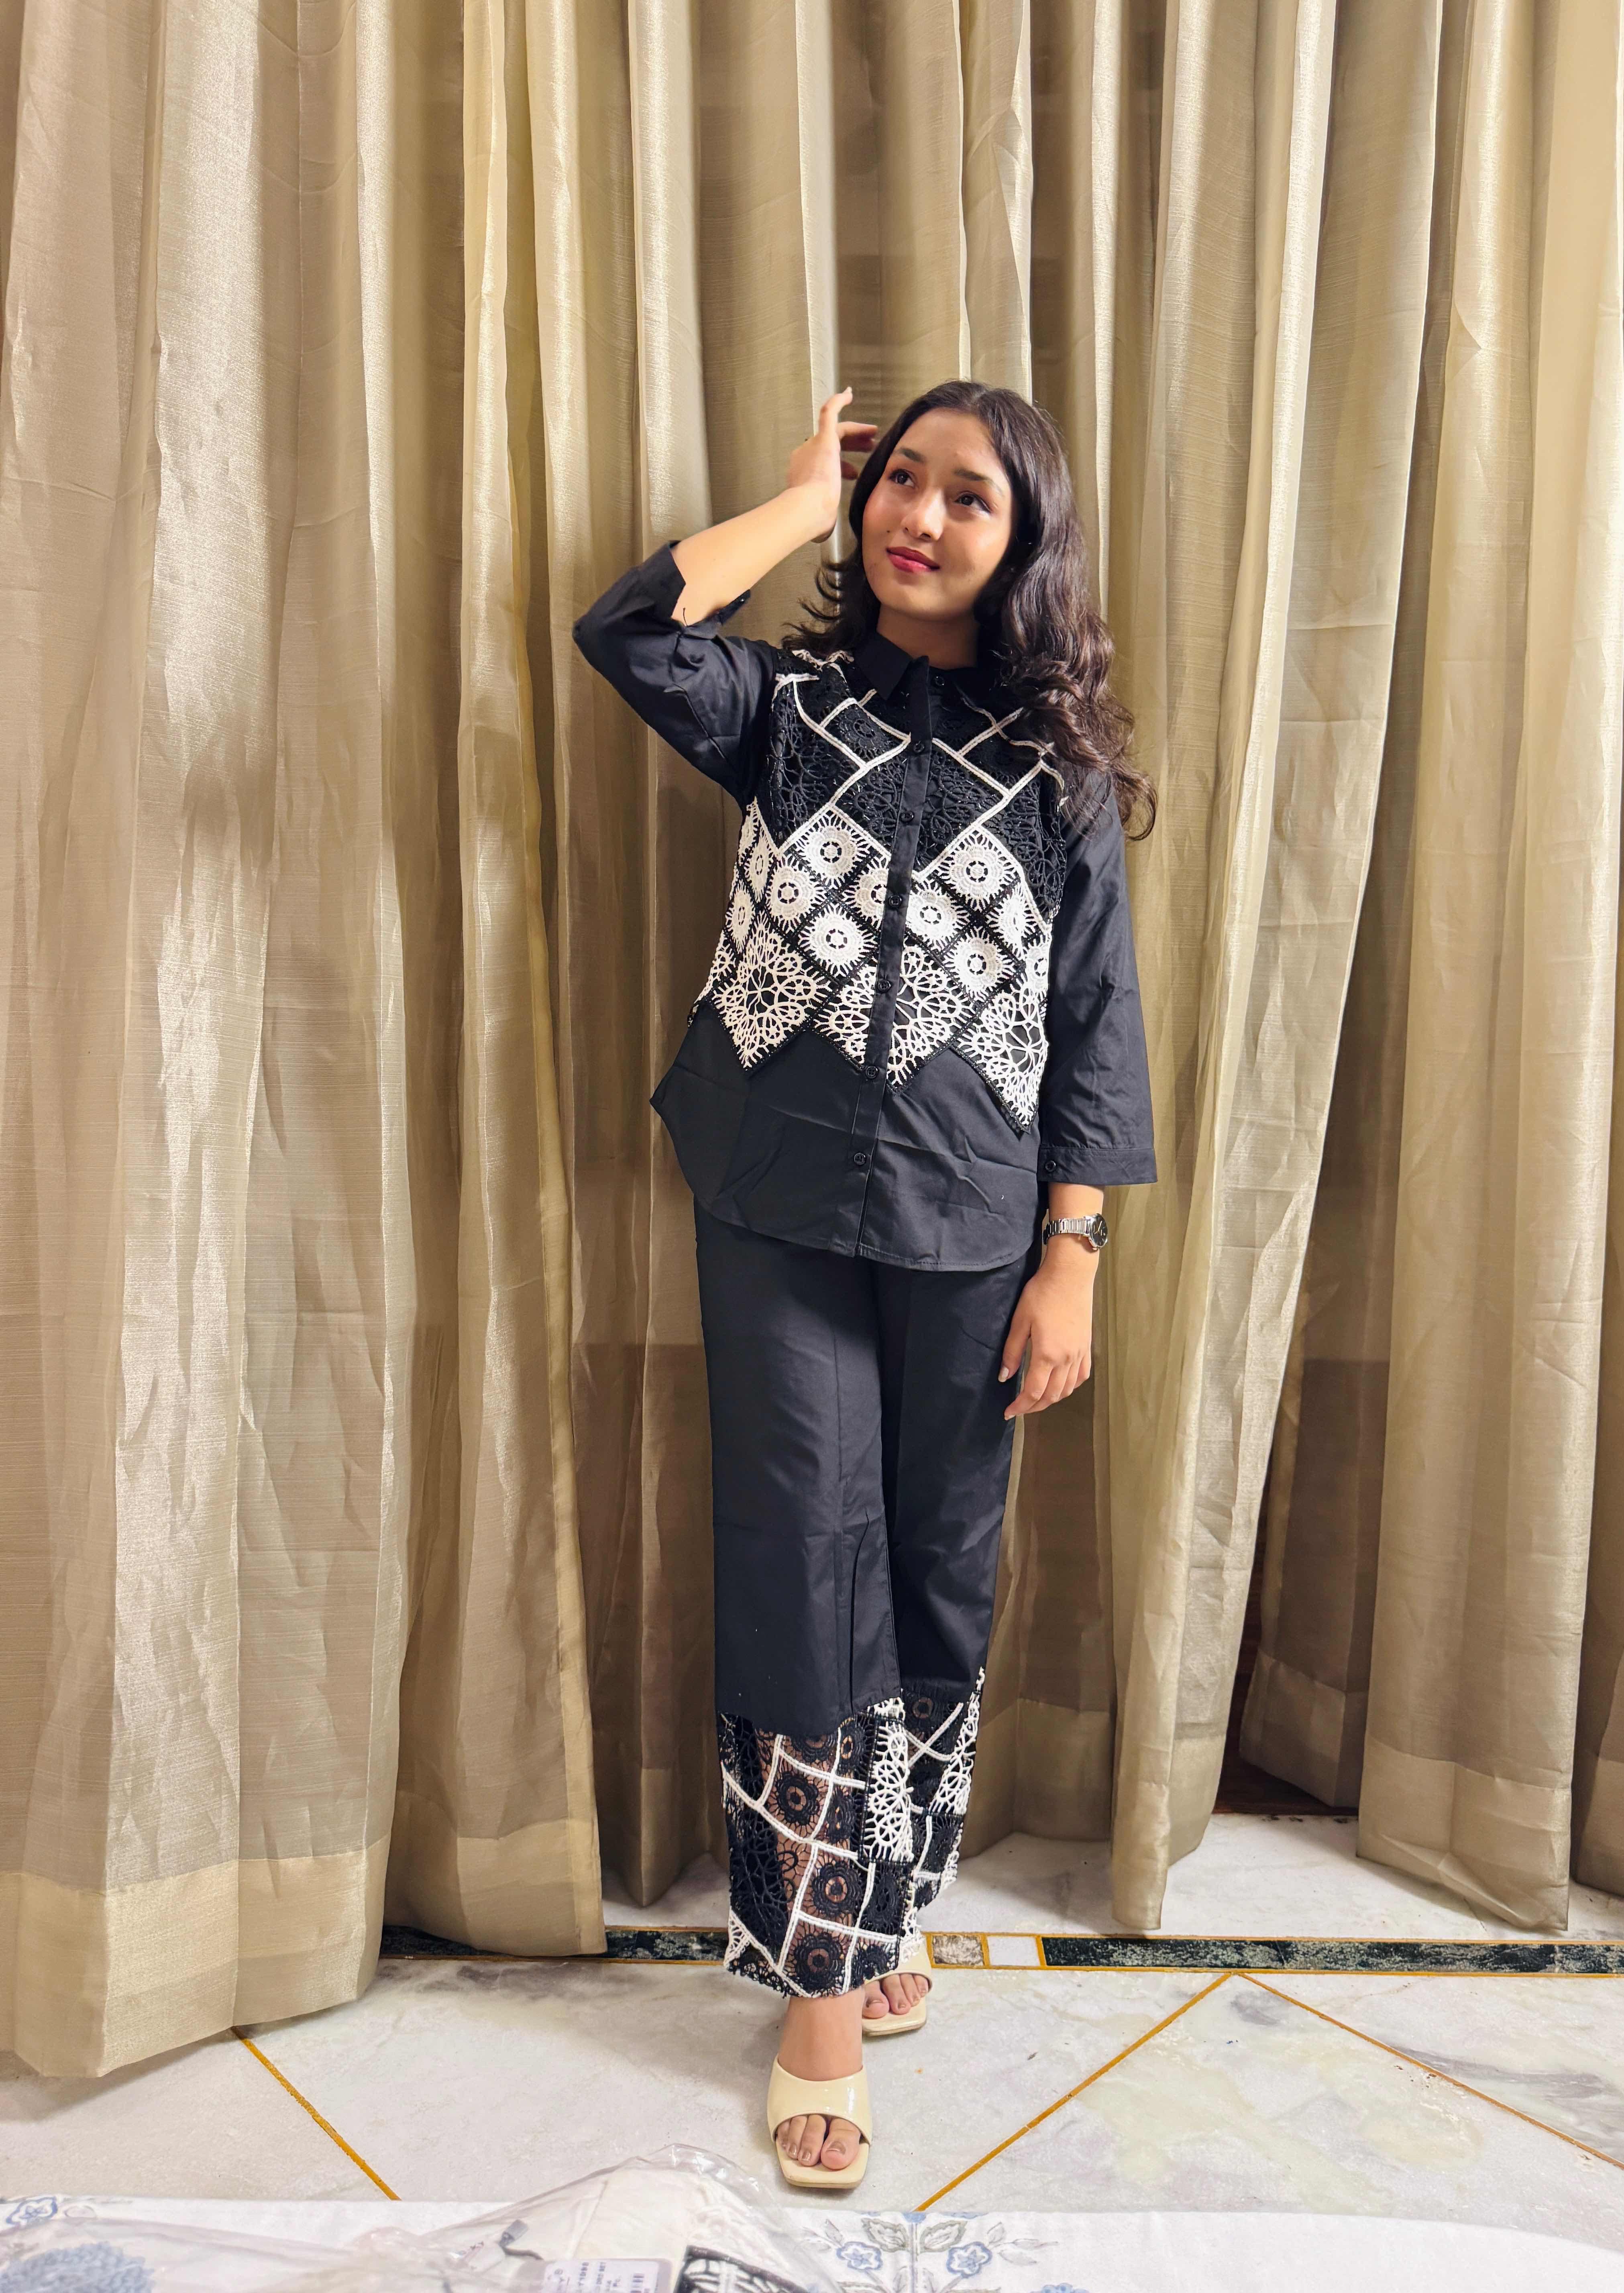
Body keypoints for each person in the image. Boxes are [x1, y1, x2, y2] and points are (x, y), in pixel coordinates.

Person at [573, 379, 1157, 2192]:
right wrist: (792, 505)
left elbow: (1094, 1025)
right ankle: (818, 1992)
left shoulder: (1063, 774)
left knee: (933, 1571)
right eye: (898, 480)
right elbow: (628, 630)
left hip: (977, 1223)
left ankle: (886, 1900)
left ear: (1024, 540)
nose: (919, 515)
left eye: (966, 496)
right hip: (772, 1196)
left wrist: (1072, 1257)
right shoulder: (784, 706)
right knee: (803, 1551)